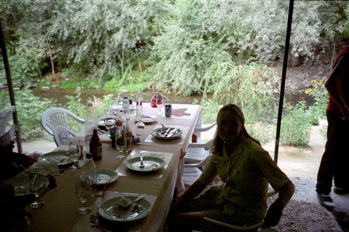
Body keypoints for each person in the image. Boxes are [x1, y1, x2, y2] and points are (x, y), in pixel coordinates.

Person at [168, 104, 295, 231]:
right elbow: (201, 183)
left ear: (241, 127)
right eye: (222, 123)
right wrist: (177, 206)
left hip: (241, 214)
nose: (227, 129)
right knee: (174, 209)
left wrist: (279, 204)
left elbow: (288, 186)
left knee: (177, 220)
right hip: (221, 198)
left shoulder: (254, 153)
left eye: (233, 124)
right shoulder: (221, 150)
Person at [316, 46, 349, 209]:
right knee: (333, 151)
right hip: (338, 112)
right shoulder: (347, 56)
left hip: (343, 112)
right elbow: (329, 84)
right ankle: (323, 190)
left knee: (343, 150)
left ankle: (341, 184)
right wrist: (343, 107)